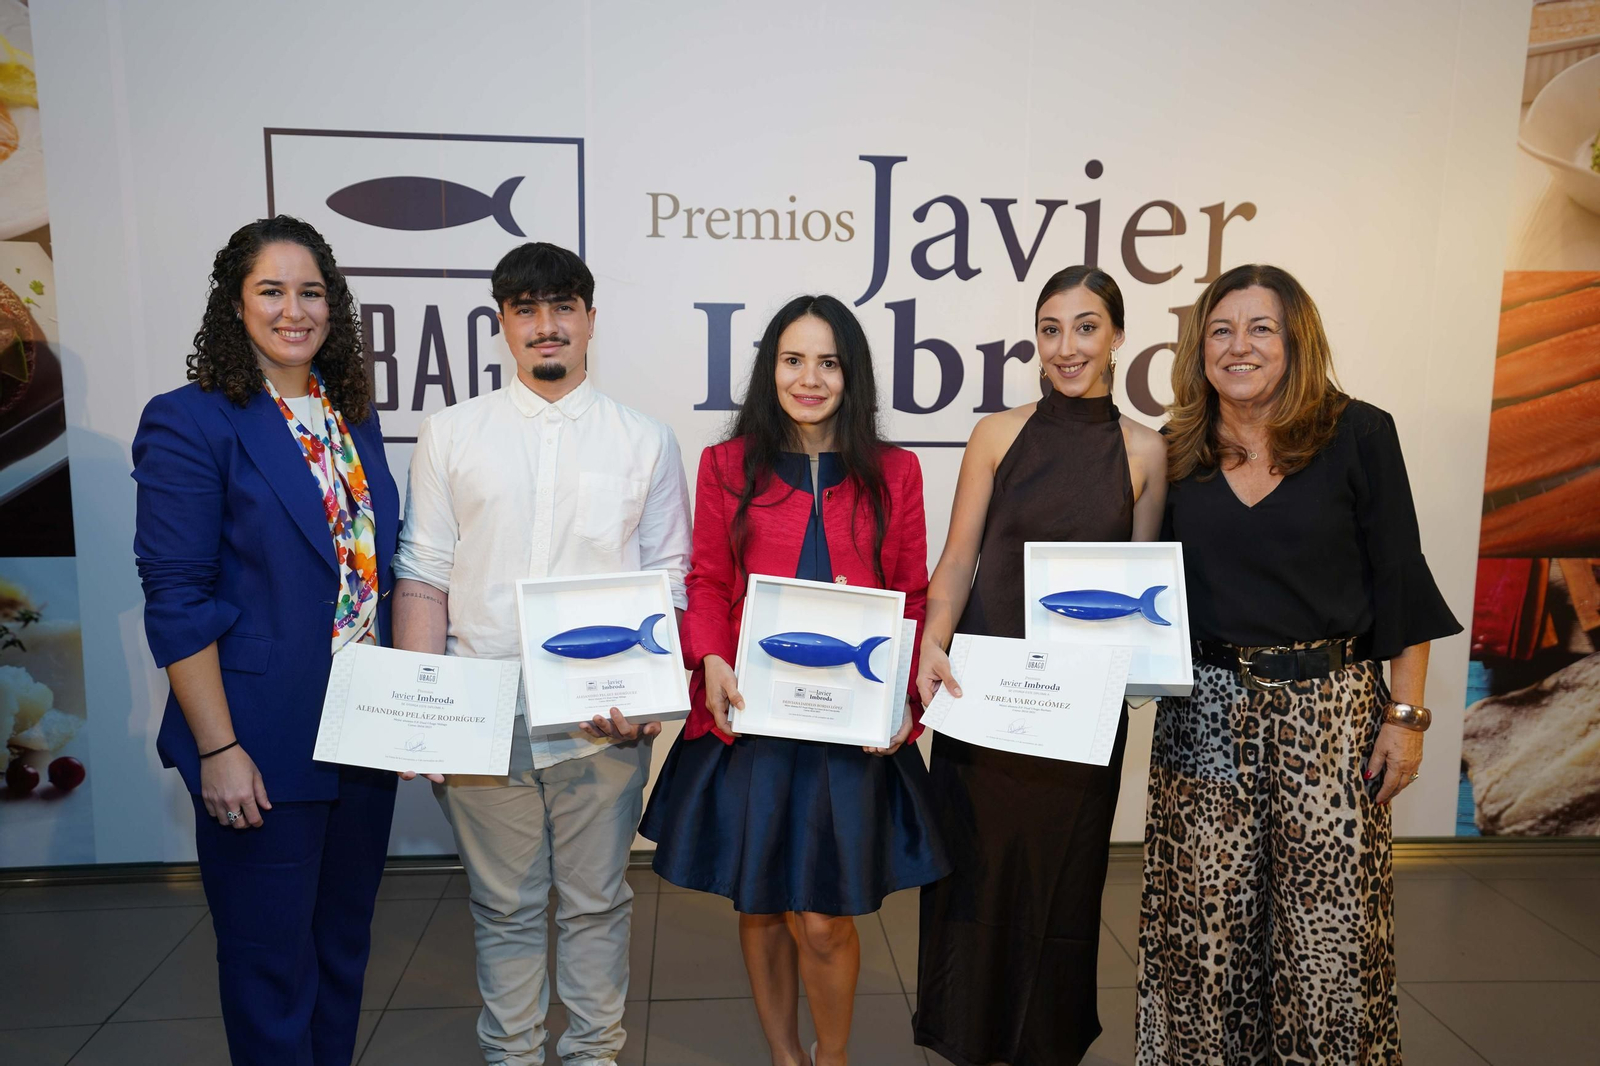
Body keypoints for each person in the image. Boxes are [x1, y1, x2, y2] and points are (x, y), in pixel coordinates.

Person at [1136, 264, 1461, 1064]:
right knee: (1202, 934)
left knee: (1331, 940)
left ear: (1296, 340)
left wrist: (1406, 718)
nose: (1238, 346)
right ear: (1197, 346)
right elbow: (1127, 585)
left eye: (1260, 328)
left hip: (1332, 713)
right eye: (1220, 330)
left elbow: (1401, 583)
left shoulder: (1360, 433)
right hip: (1202, 718)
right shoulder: (1172, 449)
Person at [391, 242, 691, 1066]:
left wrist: (649, 700)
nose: (546, 326)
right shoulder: (452, 434)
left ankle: (593, 1058)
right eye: (527, 310)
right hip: (484, 716)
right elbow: (422, 575)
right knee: (505, 909)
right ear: (503, 325)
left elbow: (669, 582)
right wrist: (429, 716)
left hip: (606, 722)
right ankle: (514, 1057)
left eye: (563, 307)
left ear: (591, 320)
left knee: (596, 905)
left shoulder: (646, 441)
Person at [640, 294, 947, 1066]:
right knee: (766, 900)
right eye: (792, 359)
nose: (809, 378)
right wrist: (708, 656)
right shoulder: (724, 466)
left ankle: (831, 1058)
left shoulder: (896, 473)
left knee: (823, 917)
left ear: (852, 373)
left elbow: (910, 593)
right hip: (754, 720)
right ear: (769, 368)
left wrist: (905, 699)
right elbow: (707, 581)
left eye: (828, 362)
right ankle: (785, 1055)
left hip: (849, 730)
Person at [132, 215, 401, 1066]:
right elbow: (177, 598)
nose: (296, 310)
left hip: (363, 736)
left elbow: (369, 580)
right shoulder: (192, 421)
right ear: (234, 305)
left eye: (312, 291)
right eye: (272, 290)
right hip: (259, 741)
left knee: (341, 953)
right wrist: (219, 746)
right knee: (269, 969)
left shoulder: (347, 417)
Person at [913, 266, 1167, 1066]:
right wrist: (932, 640)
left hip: (1078, 716)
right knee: (976, 878)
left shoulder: (1146, 451)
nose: (1067, 347)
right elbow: (958, 560)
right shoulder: (997, 432)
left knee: (1065, 882)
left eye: (1086, 327)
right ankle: (966, 1037)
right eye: (1051, 329)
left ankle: (1045, 1045)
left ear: (1118, 337)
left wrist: (1134, 671)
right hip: (985, 701)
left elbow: (1141, 589)